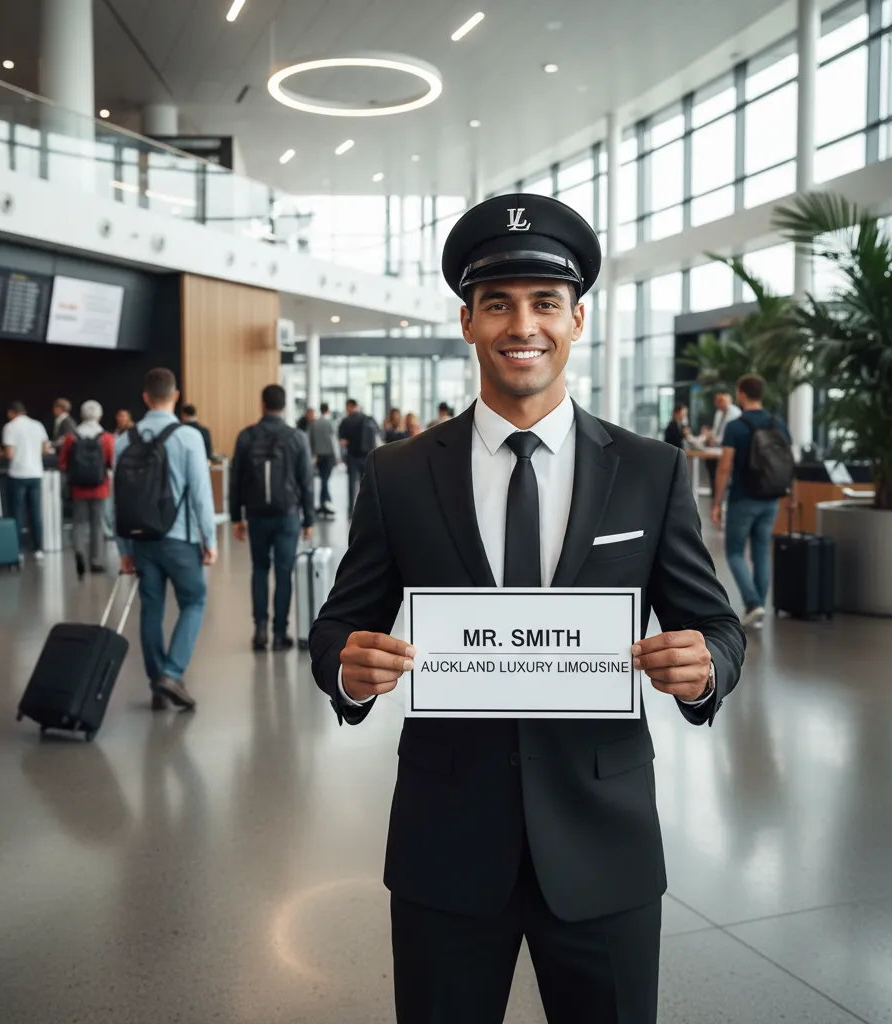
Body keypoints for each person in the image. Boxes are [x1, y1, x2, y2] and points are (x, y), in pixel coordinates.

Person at [309, 193, 745, 1024]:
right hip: (446, 847)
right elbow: (337, 625)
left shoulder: (649, 471)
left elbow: (717, 626)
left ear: (577, 320)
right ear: (468, 322)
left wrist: (704, 669)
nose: (524, 324)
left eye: (546, 302)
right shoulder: (399, 473)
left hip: (603, 846)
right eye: (498, 303)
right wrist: (348, 668)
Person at [116, 368, 218, 712]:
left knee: (152, 608)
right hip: (180, 539)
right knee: (194, 601)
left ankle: (157, 684)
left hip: (141, 541)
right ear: (175, 395)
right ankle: (172, 672)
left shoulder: (123, 439)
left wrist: (123, 549)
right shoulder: (188, 437)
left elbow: (114, 501)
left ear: (145, 397)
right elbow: (201, 495)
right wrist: (210, 538)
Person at [231, 384, 315, 651]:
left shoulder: (246, 437)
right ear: (285, 406)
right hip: (288, 514)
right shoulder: (297, 437)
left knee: (259, 569)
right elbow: (306, 482)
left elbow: (236, 480)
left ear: (262, 404)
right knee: (283, 571)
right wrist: (309, 519)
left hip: (256, 514)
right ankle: (280, 633)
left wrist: (236, 517)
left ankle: (260, 630)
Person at [711, 373, 792, 630]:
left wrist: (716, 502)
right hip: (771, 498)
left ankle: (753, 603)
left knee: (734, 552)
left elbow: (724, 467)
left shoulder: (736, 427)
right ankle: (757, 607)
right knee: (760, 553)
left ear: (742, 393)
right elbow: (790, 464)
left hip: (743, 499)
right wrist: (793, 497)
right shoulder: (778, 424)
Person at [60, 400, 115, 579]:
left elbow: (63, 463)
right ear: (99, 416)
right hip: (100, 487)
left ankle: (79, 553)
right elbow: (111, 462)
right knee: (97, 524)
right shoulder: (106, 438)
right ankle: (96, 561)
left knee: (79, 522)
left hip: (78, 487)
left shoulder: (71, 437)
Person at [2, 401, 51, 561]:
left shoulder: (10, 427)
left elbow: (9, 453)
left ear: (11, 413)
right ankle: (38, 548)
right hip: (36, 473)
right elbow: (45, 449)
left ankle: (17, 550)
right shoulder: (38, 425)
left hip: (17, 473)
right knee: (35, 513)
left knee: (17, 513)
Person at [338, 398, 379, 515]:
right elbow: (377, 433)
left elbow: (343, 441)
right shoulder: (368, 418)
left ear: (350, 407)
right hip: (367, 455)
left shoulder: (346, 421)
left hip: (352, 456)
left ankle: (352, 509)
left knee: (352, 484)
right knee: (366, 484)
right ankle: (366, 509)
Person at [309, 402, 339, 517]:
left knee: (323, 478)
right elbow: (333, 441)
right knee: (325, 479)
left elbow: (311, 441)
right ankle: (325, 502)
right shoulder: (330, 423)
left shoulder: (314, 424)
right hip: (329, 454)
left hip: (318, 455)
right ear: (328, 410)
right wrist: (338, 457)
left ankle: (323, 503)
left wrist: (313, 455)